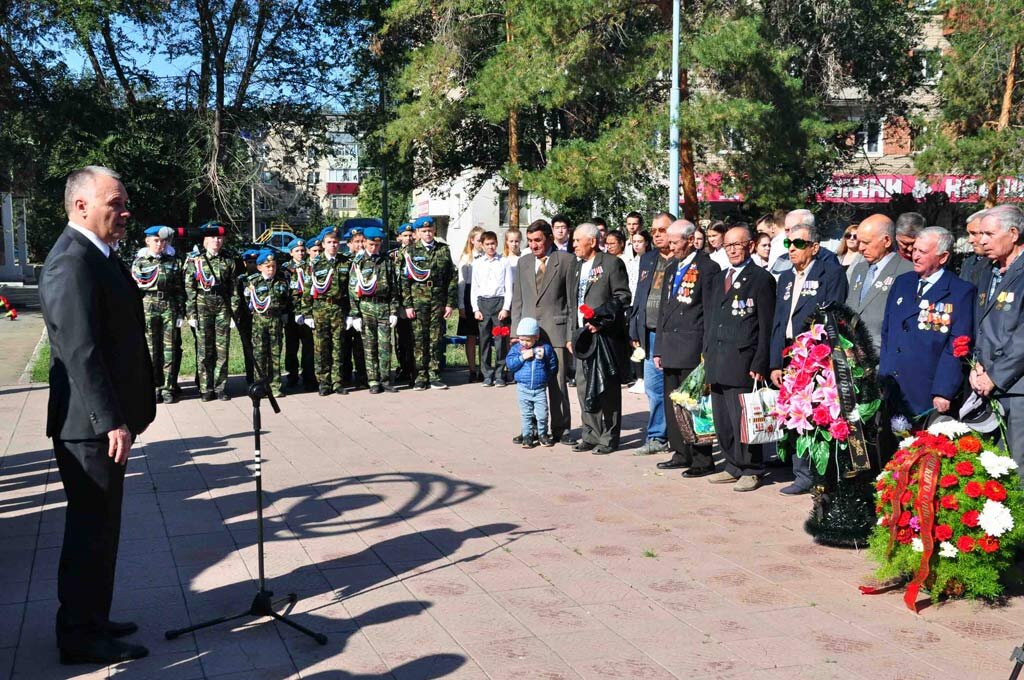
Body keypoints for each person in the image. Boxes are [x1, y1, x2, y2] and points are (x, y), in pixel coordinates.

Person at [39, 165, 155, 664]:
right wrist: (109, 420)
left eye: (126, 202)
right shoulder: (71, 262)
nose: (125, 211)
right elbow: (79, 351)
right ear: (81, 205)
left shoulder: (98, 255)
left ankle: (93, 618)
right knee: (90, 531)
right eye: (116, 202)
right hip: (88, 428)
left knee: (101, 529)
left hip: (99, 425)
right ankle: (79, 635)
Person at [768, 223, 849, 495]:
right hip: (789, 353)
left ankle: (818, 474)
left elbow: (834, 316)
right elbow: (778, 322)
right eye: (788, 244)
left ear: (814, 248)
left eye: (799, 244)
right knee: (794, 415)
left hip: (816, 355)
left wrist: (820, 354)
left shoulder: (830, 273)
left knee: (816, 415)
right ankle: (800, 473)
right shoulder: (786, 278)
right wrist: (774, 363)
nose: (792, 249)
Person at [704, 226, 776, 492]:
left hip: (743, 360)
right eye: (728, 245)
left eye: (738, 244)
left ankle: (752, 468)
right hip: (718, 359)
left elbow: (766, 325)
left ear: (751, 245)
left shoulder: (761, 278)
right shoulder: (720, 278)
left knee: (744, 419)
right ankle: (733, 464)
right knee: (723, 419)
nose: (732, 249)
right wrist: (706, 355)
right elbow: (712, 320)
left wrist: (760, 362)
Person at [880, 227, 975, 425]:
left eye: (922, 252)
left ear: (943, 257)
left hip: (927, 390)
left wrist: (944, 390)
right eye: (914, 250)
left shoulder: (960, 292)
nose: (915, 256)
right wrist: (884, 375)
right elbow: (888, 332)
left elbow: (957, 346)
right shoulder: (902, 283)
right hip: (893, 386)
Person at [653, 219, 720, 477]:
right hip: (670, 346)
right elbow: (662, 311)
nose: (671, 246)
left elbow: (710, 311)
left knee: (694, 405)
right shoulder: (671, 268)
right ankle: (680, 452)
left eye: (675, 241)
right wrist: (658, 347)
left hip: (693, 346)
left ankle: (702, 459)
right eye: (668, 242)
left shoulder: (707, 267)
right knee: (673, 404)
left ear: (690, 240)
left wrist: (707, 349)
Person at [511, 220, 578, 445]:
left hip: (556, 330)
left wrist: (570, 334)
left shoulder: (566, 260)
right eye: (530, 241)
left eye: (537, 240)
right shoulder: (524, 262)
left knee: (557, 382)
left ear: (549, 238)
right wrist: (514, 332)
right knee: (529, 382)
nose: (533, 245)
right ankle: (529, 428)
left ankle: (561, 428)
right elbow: (518, 299)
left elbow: (571, 300)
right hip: (528, 333)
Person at [970, 205, 1024, 478]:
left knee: (1017, 469)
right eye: (980, 234)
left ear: (1013, 233)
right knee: (989, 469)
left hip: (1016, 388)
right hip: (987, 384)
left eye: (989, 234)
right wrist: (976, 365)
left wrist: (995, 375)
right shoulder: (987, 270)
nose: (981, 240)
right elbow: (983, 325)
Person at [568, 222, 632, 454]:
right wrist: (570, 334)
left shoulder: (611, 264)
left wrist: (600, 320)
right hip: (582, 337)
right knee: (584, 387)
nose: (573, 244)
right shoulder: (577, 267)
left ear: (592, 241)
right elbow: (572, 302)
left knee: (607, 388)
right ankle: (591, 434)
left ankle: (609, 437)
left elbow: (622, 298)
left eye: (577, 240)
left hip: (604, 338)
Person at [629, 211, 675, 455]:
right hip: (649, 333)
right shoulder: (647, 259)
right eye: (654, 231)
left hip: (676, 336)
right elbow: (640, 295)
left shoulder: (682, 259)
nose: (657, 234)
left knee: (677, 389)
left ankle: (680, 437)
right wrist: (635, 326)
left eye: (663, 230)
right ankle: (657, 436)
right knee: (653, 389)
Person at [401, 216, 457, 390]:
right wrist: (408, 304)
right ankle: (420, 375)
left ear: (435, 231)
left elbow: (452, 277)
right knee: (419, 338)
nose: (427, 234)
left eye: (430, 230)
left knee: (435, 338)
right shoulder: (410, 251)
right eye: (423, 231)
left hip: (438, 300)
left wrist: (449, 303)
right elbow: (404, 280)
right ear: (417, 233)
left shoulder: (443, 250)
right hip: (418, 299)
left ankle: (434, 374)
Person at [184, 222, 238, 401]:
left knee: (222, 349)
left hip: (223, 305)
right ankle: (205, 388)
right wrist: (191, 314)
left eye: (219, 237)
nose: (217, 240)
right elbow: (190, 288)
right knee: (204, 349)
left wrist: (233, 313)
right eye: (213, 237)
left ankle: (220, 387)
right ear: (205, 240)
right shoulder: (195, 260)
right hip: (202, 304)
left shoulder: (228, 259)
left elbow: (234, 288)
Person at [846, 214, 915, 353]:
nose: (860, 248)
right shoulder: (859, 269)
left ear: (887, 241)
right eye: (859, 242)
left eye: (866, 242)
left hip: (883, 355)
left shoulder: (907, 272)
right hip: (852, 354)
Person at [132, 225, 184, 404]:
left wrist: (180, 313)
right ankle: (153, 387)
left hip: (168, 306)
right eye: (156, 240)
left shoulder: (173, 261)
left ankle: (168, 388)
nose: (159, 244)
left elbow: (179, 289)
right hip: (148, 306)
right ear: (147, 241)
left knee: (169, 349)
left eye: (162, 241)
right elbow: (135, 291)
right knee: (151, 349)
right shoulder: (139, 262)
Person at [348, 227, 399, 394]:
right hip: (366, 307)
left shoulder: (387, 261)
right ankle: (373, 381)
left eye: (377, 245)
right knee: (370, 346)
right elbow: (353, 289)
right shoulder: (359, 262)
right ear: (364, 243)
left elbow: (394, 288)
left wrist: (393, 310)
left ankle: (385, 380)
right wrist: (355, 314)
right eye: (371, 244)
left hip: (384, 307)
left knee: (385, 346)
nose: (374, 248)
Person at [307, 227, 351, 396]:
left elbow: (351, 289)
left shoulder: (345, 262)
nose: (333, 245)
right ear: (323, 244)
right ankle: (324, 382)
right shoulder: (315, 264)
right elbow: (307, 289)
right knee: (321, 348)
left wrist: (351, 313)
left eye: (335, 242)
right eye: (330, 242)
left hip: (339, 308)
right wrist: (307, 313)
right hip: (320, 309)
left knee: (338, 346)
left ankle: (337, 381)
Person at [505, 317, 559, 448]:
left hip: (539, 388)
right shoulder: (517, 349)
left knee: (542, 414)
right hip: (523, 387)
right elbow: (510, 364)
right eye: (522, 339)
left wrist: (547, 375)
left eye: (528, 340)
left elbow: (552, 363)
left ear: (536, 337)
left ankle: (542, 434)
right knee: (526, 414)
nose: (525, 343)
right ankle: (527, 435)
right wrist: (522, 357)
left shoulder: (544, 348)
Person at [245, 250, 292, 397]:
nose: (271, 269)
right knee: (260, 354)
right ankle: (260, 386)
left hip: (276, 320)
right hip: (260, 320)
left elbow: (285, 300)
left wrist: (284, 314)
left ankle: (275, 386)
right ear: (259, 267)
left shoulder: (282, 280)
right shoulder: (252, 282)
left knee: (275, 354)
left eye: (273, 266)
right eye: (267, 266)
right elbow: (249, 303)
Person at [472, 230, 513, 387]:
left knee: (500, 340)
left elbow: (508, 287)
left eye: (493, 243)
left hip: (499, 304)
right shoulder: (477, 263)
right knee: (484, 341)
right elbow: (474, 288)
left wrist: (506, 308)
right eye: (487, 244)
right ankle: (487, 374)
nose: (490, 247)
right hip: (483, 304)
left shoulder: (504, 262)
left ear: (497, 244)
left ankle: (500, 373)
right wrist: (476, 308)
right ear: (482, 245)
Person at [282, 238, 316, 391]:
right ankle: (292, 376)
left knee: (309, 347)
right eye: (297, 251)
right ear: (291, 253)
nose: (301, 253)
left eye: (303, 251)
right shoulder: (285, 269)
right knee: (291, 347)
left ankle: (309, 377)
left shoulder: (311, 266)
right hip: (291, 313)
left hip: (308, 312)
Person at [626, 229, 652, 394]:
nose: (636, 244)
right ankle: (638, 377)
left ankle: (644, 378)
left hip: (644, 305)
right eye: (634, 242)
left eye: (640, 241)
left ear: (647, 243)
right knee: (633, 341)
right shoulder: (632, 262)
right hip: (632, 305)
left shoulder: (649, 261)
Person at [457, 226, 484, 382]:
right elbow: (461, 284)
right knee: (471, 336)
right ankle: (472, 369)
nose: (481, 243)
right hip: (468, 296)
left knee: (484, 335)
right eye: (479, 240)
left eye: (483, 240)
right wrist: (461, 305)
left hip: (483, 296)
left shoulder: (488, 256)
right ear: (472, 240)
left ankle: (483, 368)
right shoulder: (467, 258)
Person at [391, 223, 417, 384]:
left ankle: (415, 370)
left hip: (417, 300)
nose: (408, 238)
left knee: (416, 338)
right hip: (400, 302)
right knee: (401, 338)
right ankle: (403, 367)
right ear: (398, 238)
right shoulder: (393, 256)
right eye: (404, 235)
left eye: (410, 235)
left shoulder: (419, 253)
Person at [236, 249, 259, 385]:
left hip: (260, 317)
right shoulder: (241, 280)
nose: (253, 264)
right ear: (245, 263)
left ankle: (262, 375)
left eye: (255, 261)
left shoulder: (263, 277)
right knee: (248, 347)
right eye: (250, 262)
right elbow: (237, 298)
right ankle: (250, 376)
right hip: (246, 318)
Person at [958, 209, 990, 288]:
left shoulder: (1005, 265)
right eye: (968, 234)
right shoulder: (968, 262)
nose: (970, 240)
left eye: (974, 233)